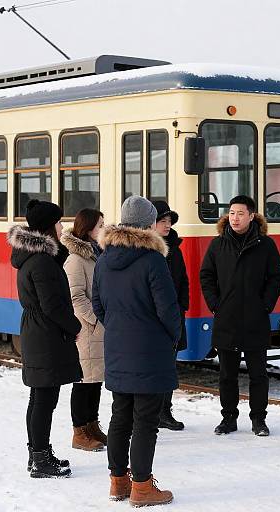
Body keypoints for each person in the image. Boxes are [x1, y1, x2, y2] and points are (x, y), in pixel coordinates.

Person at [92, 195, 180, 506]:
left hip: (117, 347)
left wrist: (116, 328)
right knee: (146, 421)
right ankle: (142, 487)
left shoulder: (103, 259)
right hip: (150, 350)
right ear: (147, 224)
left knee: (120, 416)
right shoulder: (153, 259)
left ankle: (118, 481)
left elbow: (98, 306)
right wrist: (171, 337)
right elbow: (168, 309)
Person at [8, 199, 82, 479]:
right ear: (49, 226)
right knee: (43, 399)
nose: (63, 227)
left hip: (39, 331)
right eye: (60, 222)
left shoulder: (35, 257)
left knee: (39, 397)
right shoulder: (41, 261)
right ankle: (40, 460)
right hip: (45, 334)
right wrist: (74, 326)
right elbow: (52, 304)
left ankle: (38, 454)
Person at [200, 195, 280, 437]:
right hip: (226, 318)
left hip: (255, 319)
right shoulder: (218, 244)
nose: (235, 218)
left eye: (240, 213)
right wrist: (215, 304)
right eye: (232, 213)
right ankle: (228, 418)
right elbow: (206, 276)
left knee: (258, 374)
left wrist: (265, 305)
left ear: (251, 216)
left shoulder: (265, 245)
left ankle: (259, 419)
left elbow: (276, 278)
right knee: (227, 374)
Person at [61, 208, 107, 451]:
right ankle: (79, 432)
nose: (103, 228)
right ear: (88, 228)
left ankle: (92, 425)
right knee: (83, 382)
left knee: (96, 380)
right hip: (88, 329)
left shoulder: (96, 255)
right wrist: (94, 319)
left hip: (98, 329)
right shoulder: (76, 259)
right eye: (100, 224)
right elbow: (75, 295)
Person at [152, 200, 189, 431]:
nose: (167, 225)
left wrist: (181, 306)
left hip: (173, 315)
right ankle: (152, 412)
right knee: (154, 367)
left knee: (169, 366)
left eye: (169, 221)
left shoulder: (173, 247)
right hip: (154, 319)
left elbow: (183, 279)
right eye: (162, 221)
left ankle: (165, 411)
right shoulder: (149, 249)